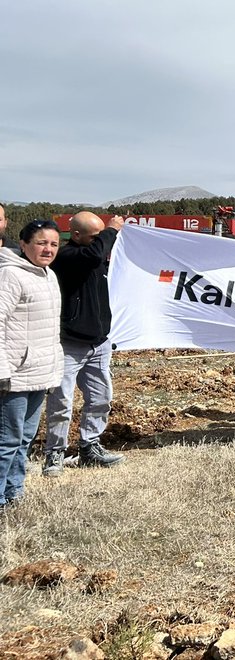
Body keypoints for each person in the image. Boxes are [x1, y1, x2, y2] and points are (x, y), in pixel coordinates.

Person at [43, 211, 126, 476]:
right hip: (69, 343)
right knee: (61, 402)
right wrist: (111, 230)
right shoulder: (67, 256)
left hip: (99, 343)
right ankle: (54, 454)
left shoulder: (96, 256)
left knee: (101, 399)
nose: (99, 241)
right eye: (95, 236)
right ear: (76, 235)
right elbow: (92, 257)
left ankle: (90, 447)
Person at [1, 221, 63, 509]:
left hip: (39, 372)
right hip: (13, 375)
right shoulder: (11, 276)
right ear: (23, 244)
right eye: (41, 242)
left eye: (53, 243)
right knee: (7, 441)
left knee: (25, 438)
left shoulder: (47, 275)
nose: (47, 249)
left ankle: (14, 492)